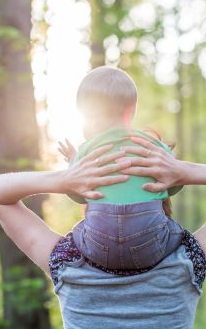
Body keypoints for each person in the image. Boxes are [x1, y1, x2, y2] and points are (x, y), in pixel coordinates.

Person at [0, 136, 206, 327]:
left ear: (88, 195)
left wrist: (65, 179)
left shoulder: (67, 263)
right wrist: (183, 171)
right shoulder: (187, 261)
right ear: (163, 195)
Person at [57, 65, 185, 271]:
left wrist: (74, 161)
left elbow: (78, 195)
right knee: (180, 233)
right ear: (132, 110)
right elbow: (175, 186)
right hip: (150, 248)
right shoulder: (152, 146)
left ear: (87, 114)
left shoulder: (87, 151)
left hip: (99, 249)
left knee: (76, 232)